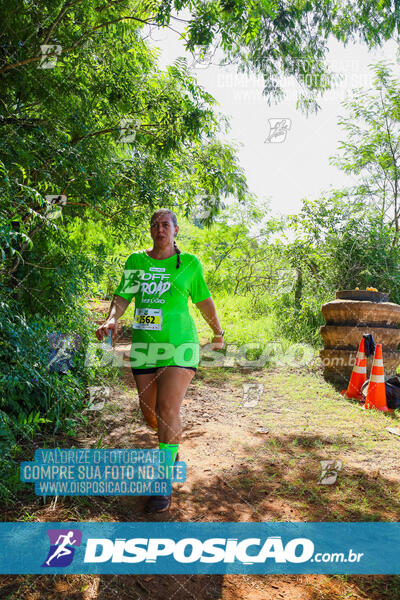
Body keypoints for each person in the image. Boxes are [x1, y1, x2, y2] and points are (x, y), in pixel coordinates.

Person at [96, 208, 224, 512]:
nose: (159, 229)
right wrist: (112, 319)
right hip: (144, 347)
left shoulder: (189, 264)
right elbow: (123, 296)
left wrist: (218, 332)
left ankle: (163, 481)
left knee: (167, 409)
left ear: (176, 230)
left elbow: (204, 301)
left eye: (165, 224)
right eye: (154, 224)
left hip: (180, 346)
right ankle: (172, 445)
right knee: (150, 414)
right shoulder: (136, 261)